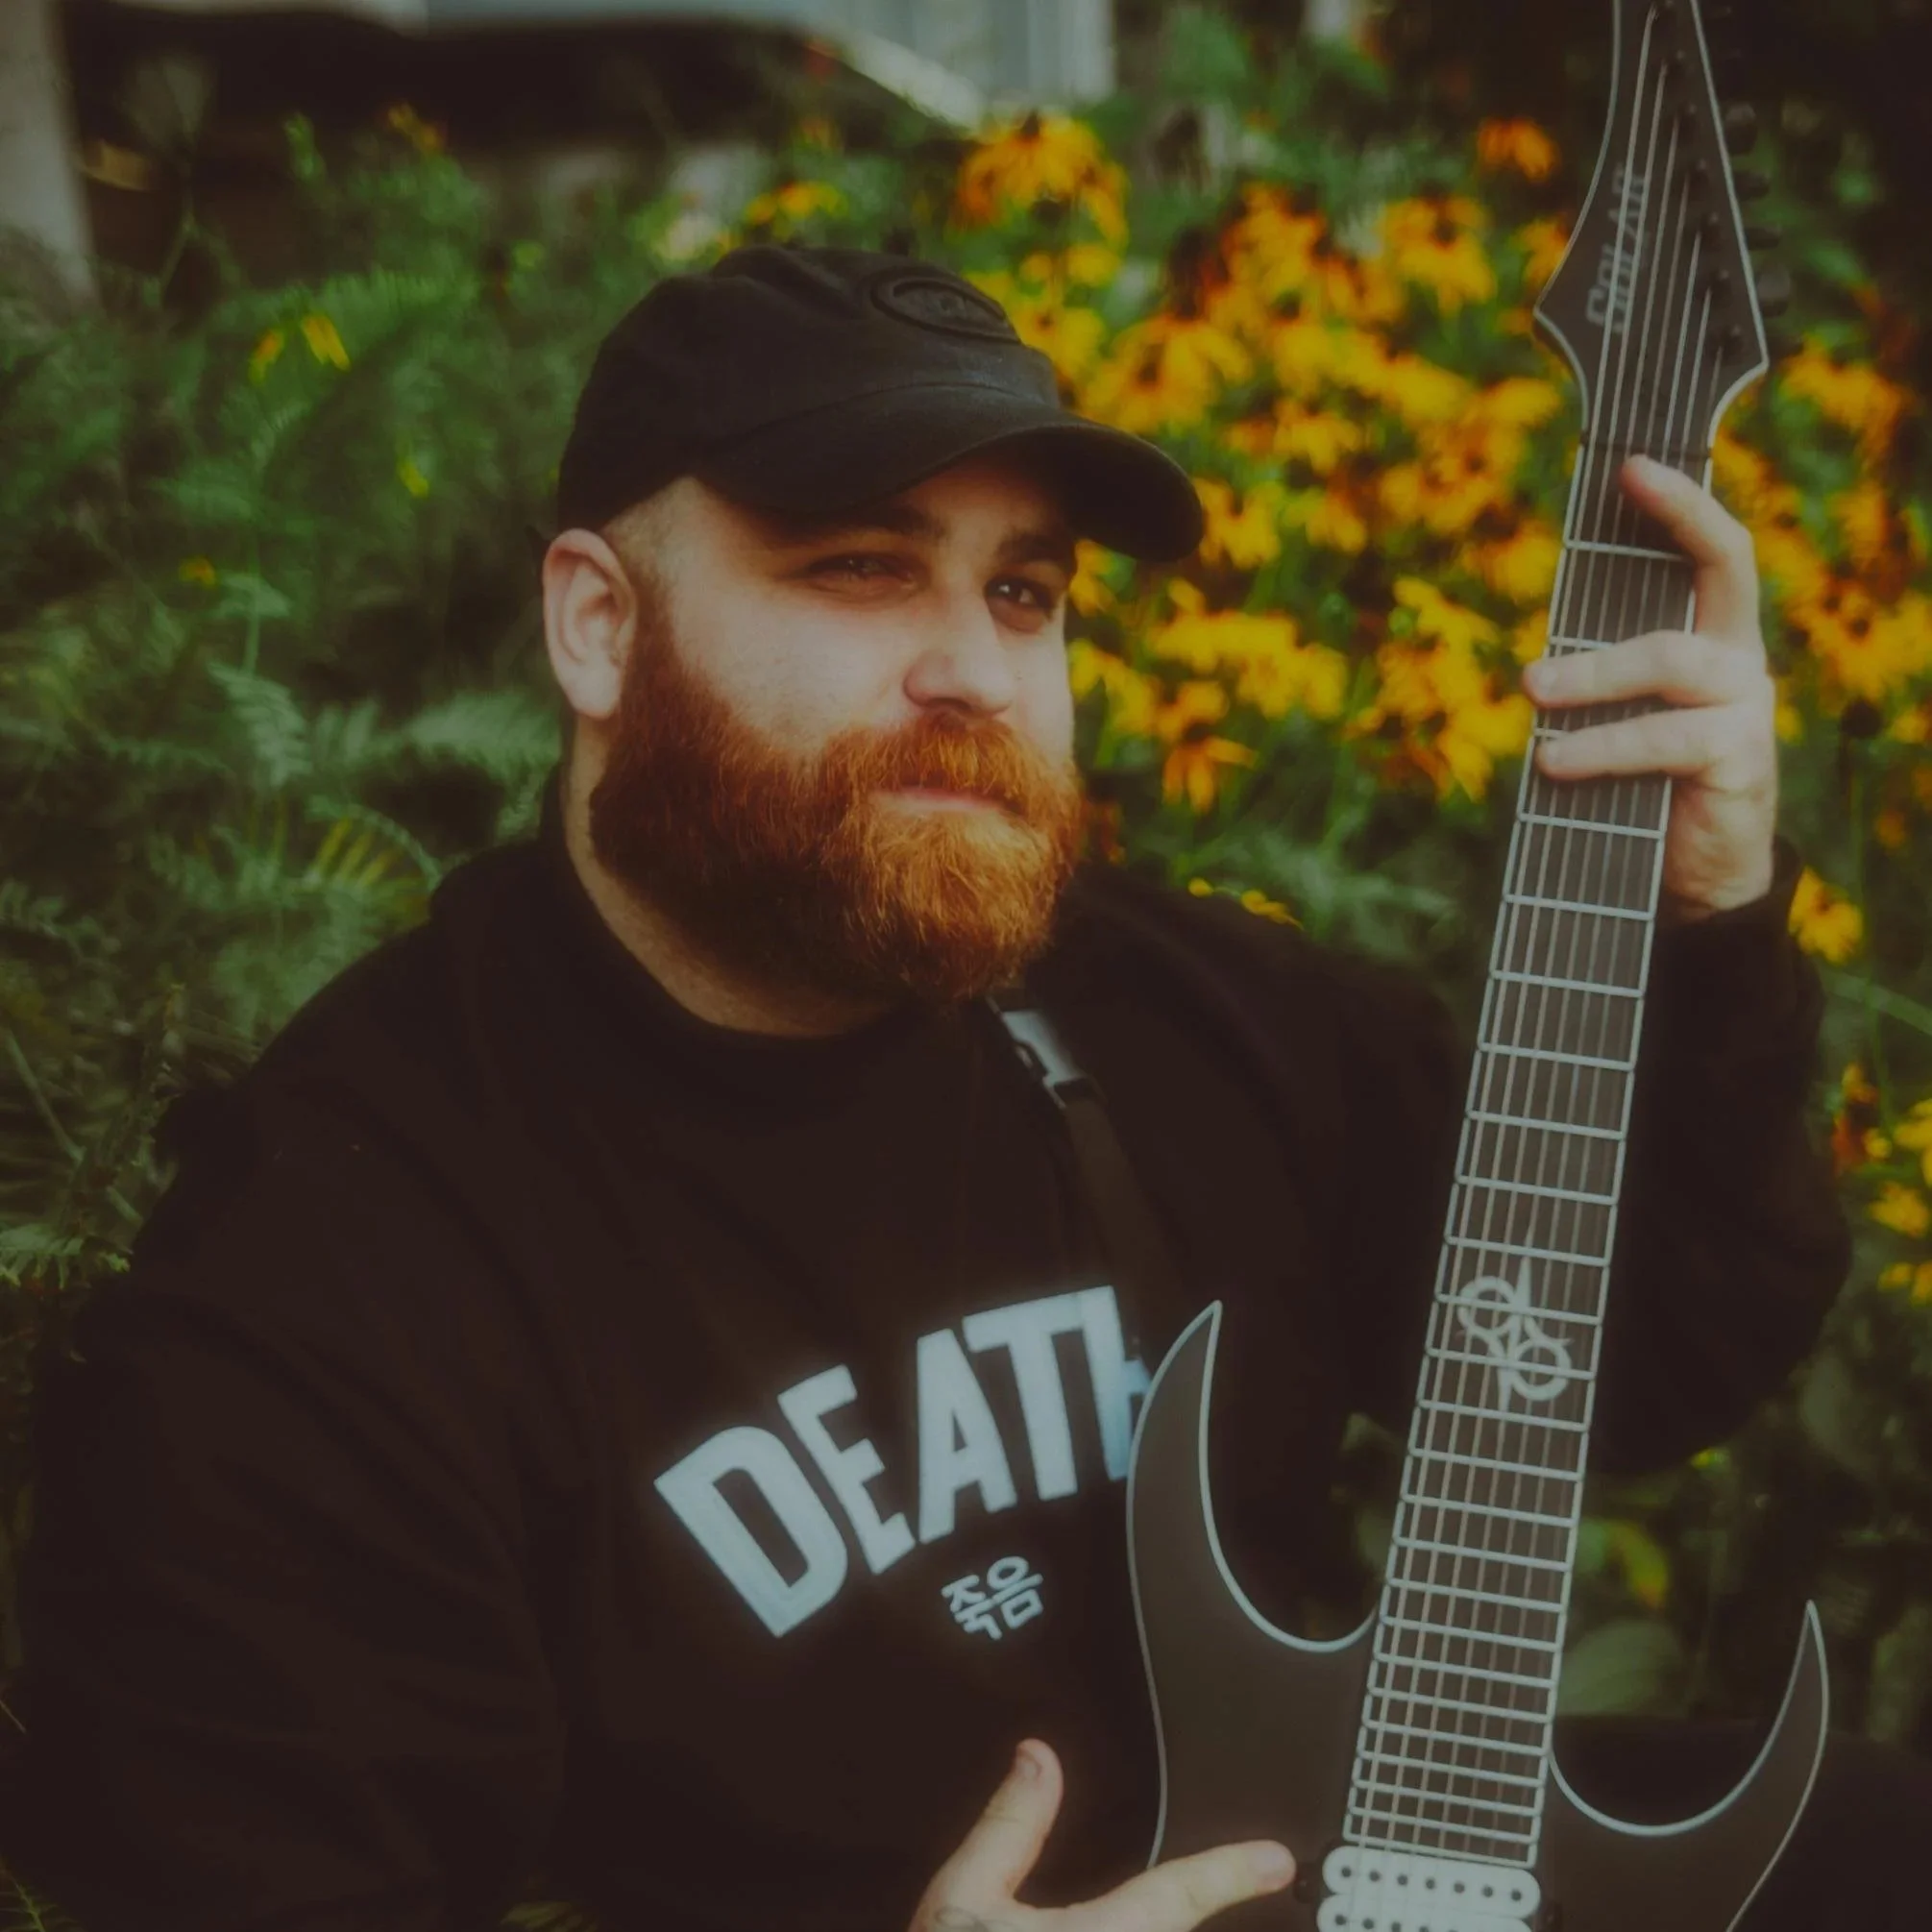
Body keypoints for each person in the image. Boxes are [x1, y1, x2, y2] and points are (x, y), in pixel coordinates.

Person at [4, 243, 1919, 1932]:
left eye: (1024, 594)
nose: (975, 674)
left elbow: (1659, 1351)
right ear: (599, 624)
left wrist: (1710, 921)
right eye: (858, 568)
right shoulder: (341, 1274)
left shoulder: (1164, 1010)